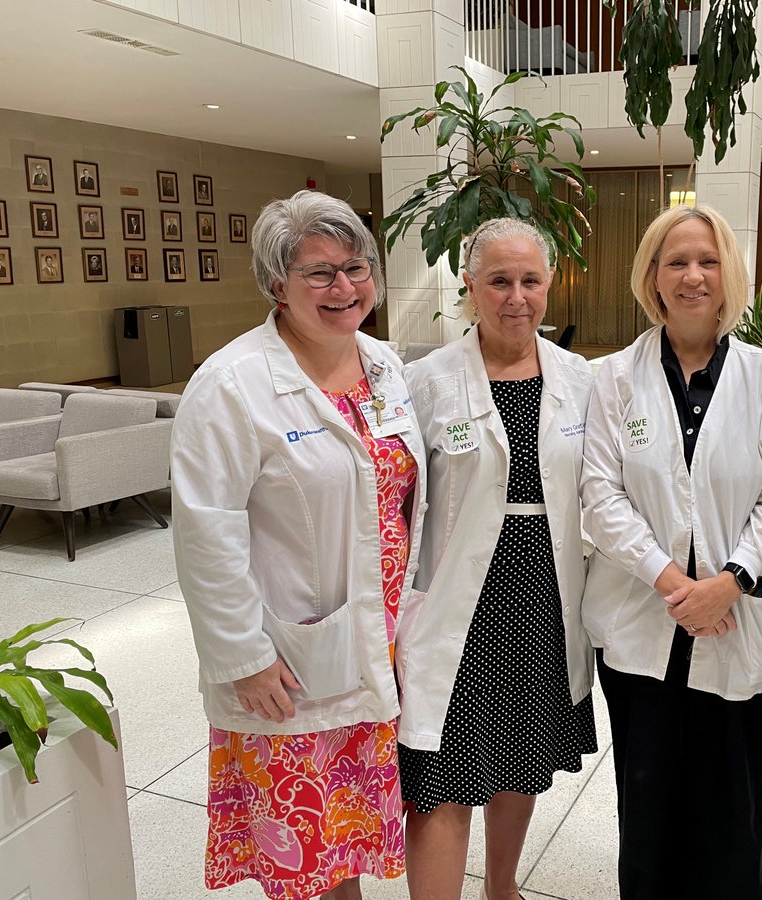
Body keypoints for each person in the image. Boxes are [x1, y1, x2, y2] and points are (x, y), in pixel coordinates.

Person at [171, 190, 426, 900]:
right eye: (319, 272)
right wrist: (244, 658)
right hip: (287, 662)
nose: (343, 287)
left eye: (356, 267)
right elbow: (204, 534)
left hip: (379, 642)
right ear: (276, 285)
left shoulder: (383, 365)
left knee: (344, 839)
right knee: (305, 853)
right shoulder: (230, 386)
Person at [581, 204, 762, 900]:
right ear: (653, 277)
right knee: (646, 808)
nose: (693, 275)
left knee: (733, 814)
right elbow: (601, 497)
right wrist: (676, 584)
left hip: (740, 628)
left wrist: (728, 582)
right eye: (676, 261)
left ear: (729, 273)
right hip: (643, 631)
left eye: (707, 261)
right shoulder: (612, 377)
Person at [398, 218, 597, 900]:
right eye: (500, 281)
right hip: (458, 602)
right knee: (444, 772)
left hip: (544, 597)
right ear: (470, 287)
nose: (517, 296)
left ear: (551, 285)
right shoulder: (425, 380)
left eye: (531, 280)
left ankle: (502, 886)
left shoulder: (580, 378)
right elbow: (394, 503)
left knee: (519, 756)